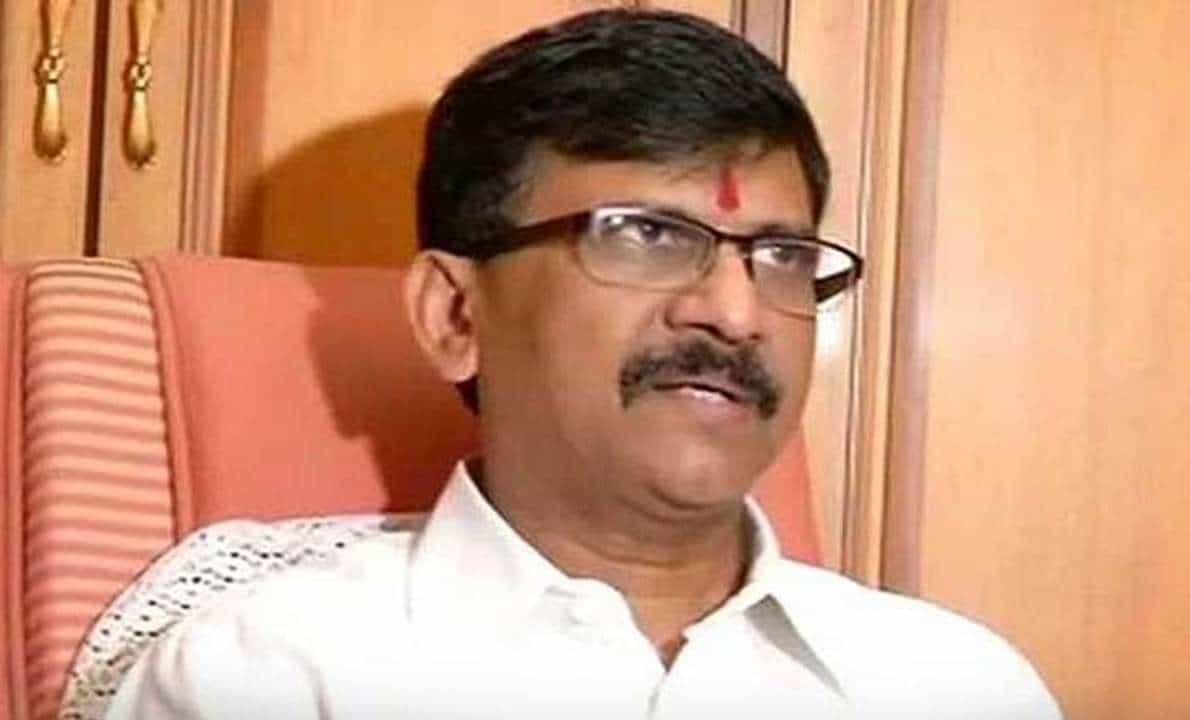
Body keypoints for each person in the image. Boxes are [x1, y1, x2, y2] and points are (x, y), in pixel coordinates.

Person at [105, 9, 1061, 719]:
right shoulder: (266, 675)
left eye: (779, 256)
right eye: (646, 235)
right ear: (455, 314)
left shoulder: (957, 685)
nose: (735, 313)